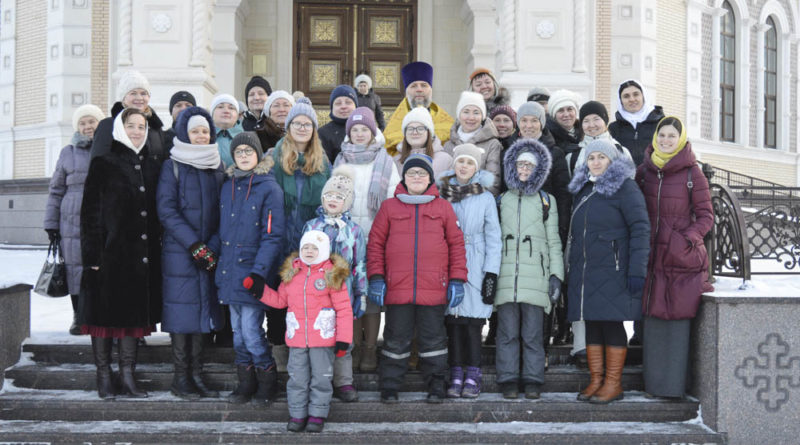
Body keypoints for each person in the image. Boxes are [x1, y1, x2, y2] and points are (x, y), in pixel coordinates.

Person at [367, 154, 468, 404]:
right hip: (397, 288)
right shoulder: (390, 207)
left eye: (421, 174)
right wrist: (377, 277)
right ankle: (390, 385)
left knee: (433, 339)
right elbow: (375, 245)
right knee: (395, 338)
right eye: (411, 173)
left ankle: (436, 383)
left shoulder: (443, 207)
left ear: (430, 179)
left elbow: (456, 245)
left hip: (434, 287)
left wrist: (456, 279)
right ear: (404, 178)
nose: (416, 178)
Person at [80, 108, 163, 399]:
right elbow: (89, 213)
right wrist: (91, 257)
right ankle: (104, 376)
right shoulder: (103, 162)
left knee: (131, 319)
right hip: (108, 256)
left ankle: (128, 376)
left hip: (138, 258)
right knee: (103, 318)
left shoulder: (151, 164)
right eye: (131, 126)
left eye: (142, 126)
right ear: (119, 128)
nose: (137, 131)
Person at [566, 139, 650, 404]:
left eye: (602, 157)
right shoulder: (584, 188)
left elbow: (640, 228)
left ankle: (613, 383)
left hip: (614, 268)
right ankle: (596, 380)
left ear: (612, 161)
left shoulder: (625, 187)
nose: (597, 162)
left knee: (612, 324)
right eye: (592, 158)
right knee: (592, 323)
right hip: (587, 269)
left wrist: (637, 269)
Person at [636, 116, 713, 399]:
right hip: (651, 256)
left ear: (680, 139)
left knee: (678, 319)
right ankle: (655, 386)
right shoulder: (644, 171)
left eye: (671, 136)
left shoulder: (693, 173)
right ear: (655, 138)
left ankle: (674, 387)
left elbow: (706, 216)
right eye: (662, 135)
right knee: (653, 318)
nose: (665, 140)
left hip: (681, 260)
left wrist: (685, 240)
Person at [156, 106, 224, 400]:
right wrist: (194, 244)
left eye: (205, 131)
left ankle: (196, 374)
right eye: (195, 131)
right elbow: (166, 210)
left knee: (203, 315)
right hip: (180, 252)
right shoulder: (172, 165)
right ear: (185, 133)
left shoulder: (216, 165)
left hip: (209, 251)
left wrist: (213, 245)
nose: (200, 136)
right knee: (181, 314)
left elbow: (226, 210)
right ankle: (180, 377)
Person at [258, 231, 353, 433]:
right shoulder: (292, 274)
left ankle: (317, 414)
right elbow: (281, 301)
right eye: (305, 248)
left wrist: (343, 339)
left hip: (322, 339)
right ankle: (297, 414)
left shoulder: (331, 274)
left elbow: (344, 309)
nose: (309, 251)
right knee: (297, 378)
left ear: (324, 251)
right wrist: (261, 291)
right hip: (297, 338)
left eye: (314, 248)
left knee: (321, 377)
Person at [215, 131, 285, 405]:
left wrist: (259, 273)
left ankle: (268, 382)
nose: (244, 156)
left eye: (248, 151)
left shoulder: (270, 188)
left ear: (258, 154)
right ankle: (246, 383)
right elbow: (221, 228)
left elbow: (273, 236)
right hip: (229, 270)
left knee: (252, 332)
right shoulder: (228, 185)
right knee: (237, 333)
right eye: (239, 152)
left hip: (252, 273)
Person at [495, 138, 564, 400]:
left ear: (539, 170)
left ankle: (533, 378)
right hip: (506, 276)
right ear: (512, 167)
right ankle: (509, 378)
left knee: (533, 334)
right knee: (507, 332)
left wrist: (556, 275)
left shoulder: (547, 201)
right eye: (520, 164)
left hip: (536, 276)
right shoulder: (501, 200)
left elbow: (554, 241)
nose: (525, 169)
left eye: (530, 166)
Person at [333, 107, 400, 373]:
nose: (360, 134)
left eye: (365, 130)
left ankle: (370, 349)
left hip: (375, 238)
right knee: (349, 294)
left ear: (373, 133)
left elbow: (392, 199)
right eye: (355, 130)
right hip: (346, 240)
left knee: (371, 296)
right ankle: (354, 347)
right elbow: (333, 195)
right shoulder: (341, 160)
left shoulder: (384, 161)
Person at [271, 97, 332, 371]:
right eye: (297, 122)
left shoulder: (322, 161)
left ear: (314, 128)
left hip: (309, 242)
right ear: (289, 126)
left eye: (307, 123)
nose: (302, 127)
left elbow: (329, 199)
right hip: (279, 237)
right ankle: (279, 353)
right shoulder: (274, 156)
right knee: (279, 298)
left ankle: (307, 353)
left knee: (307, 299)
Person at [436, 144, 501, 399]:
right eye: (461, 161)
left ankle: (473, 372)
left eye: (470, 163)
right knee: (453, 322)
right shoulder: (442, 194)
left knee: (473, 323)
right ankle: (455, 371)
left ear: (477, 168)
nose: (464, 166)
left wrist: (491, 273)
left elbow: (494, 237)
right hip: (449, 261)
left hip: (476, 261)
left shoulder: (484, 196)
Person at [302, 167, 367, 402]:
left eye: (339, 197)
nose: (333, 200)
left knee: (343, 338)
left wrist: (361, 293)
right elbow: (301, 259)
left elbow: (360, 263)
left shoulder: (354, 231)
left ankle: (343, 382)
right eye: (329, 195)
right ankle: (319, 380)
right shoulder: (312, 226)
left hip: (344, 293)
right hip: (316, 294)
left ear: (347, 202)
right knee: (319, 339)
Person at [44, 103, 104, 335]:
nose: (88, 126)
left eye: (92, 121)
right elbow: (56, 189)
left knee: (101, 269)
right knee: (75, 269)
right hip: (71, 219)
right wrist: (51, 223)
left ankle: (101, 316)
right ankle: (79, 316)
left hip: (101, 217)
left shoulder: (109, 148)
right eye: (83, 122)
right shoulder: (67, 152)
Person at [91, 70, 167, 165]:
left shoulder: (155, 128)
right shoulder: (108, 125)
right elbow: (98, 165)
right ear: (123, 98)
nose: (139, 98)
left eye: (143, 93)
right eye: (133, 93)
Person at [384, 61, 454, 151]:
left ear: (431, 90)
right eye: (413, 86)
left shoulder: (448, 124)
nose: (419, 89)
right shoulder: (394, 126)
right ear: (406, 92)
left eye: (424, 85)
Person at [442, 91, 502, 195]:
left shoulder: (492, 144)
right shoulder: (448, 145)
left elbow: (493, 183)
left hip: (479, 202)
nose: (471, 117)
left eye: (476, 112)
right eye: (466, 112)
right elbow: (443, 179)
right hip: (451, 203)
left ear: (482, 116)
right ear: (459, 115)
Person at [609, 79, 665, 167]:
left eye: (636, 94)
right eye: (626, 96)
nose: (632, 99)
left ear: (643, 96)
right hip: (626, 179)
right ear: (620, 101)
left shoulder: (662, 123)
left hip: (655, 178)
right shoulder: (613, 129)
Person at [571, 101, 633, 176]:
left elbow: (630, 182)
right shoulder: (573, 156)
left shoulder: (620, 151)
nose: (591, 125)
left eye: (596, 119)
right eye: (586, 121)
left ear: (605, 121)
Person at [392, 106, 453, 177]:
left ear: (429, 132)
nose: (415, 132)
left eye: (420, 129)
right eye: (410, 129)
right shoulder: (395, 161)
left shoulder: (445, 160)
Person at [546, 89, 583, 174]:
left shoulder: (585, 133)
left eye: (570, 109)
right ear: (554, 115)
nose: (566, 114)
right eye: (560, 110)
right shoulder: (548, 138)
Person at [318, 85, 358, 163]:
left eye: (348, 102)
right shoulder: (323, 133)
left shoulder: (366, 129)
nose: (343, 106)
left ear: (356, 106)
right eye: (338, 103)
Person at [210, 93, 244, 168]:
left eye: (231, 108)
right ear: (212, 113)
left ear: (237, 115)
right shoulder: (202, 137)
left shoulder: (247, 139)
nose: (226, 111)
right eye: (220, 107)